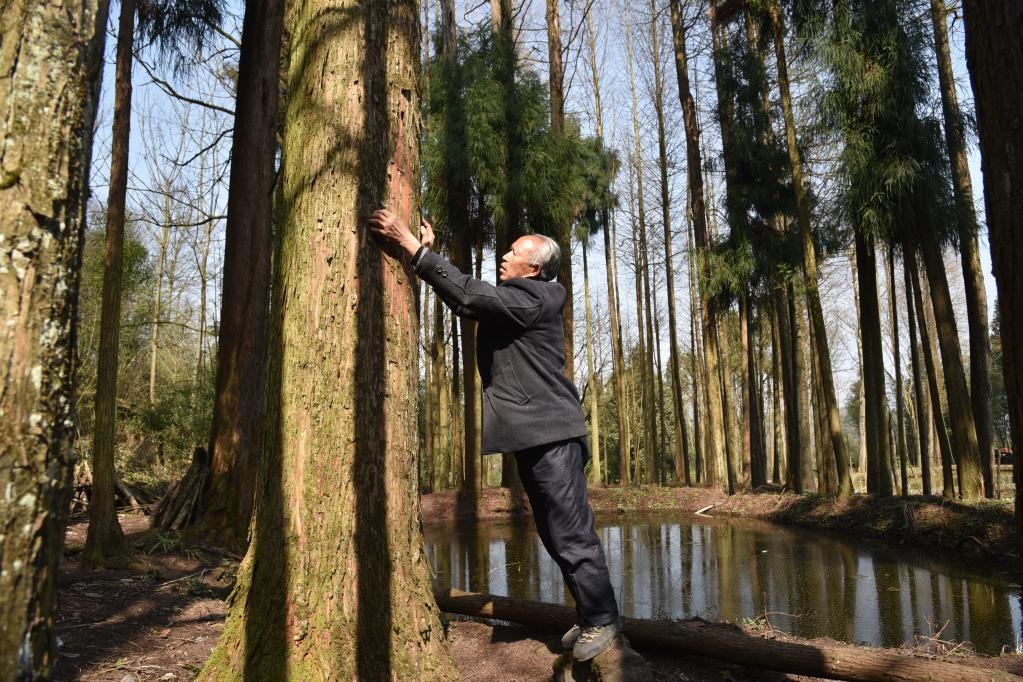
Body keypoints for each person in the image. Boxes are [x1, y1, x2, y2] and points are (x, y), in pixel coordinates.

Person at [368, 208, 622, 661]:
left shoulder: (537, 297)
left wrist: (412, 247)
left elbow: (471, 296)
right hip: (536, 437)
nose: (504, 256)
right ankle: (590, 615)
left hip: (553, 436)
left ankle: (603, 620)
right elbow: (470, 298)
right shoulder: (520, 300)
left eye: (514, 252)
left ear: (534, 268)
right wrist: (425, 255)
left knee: (570, 531)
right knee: (554, 532)